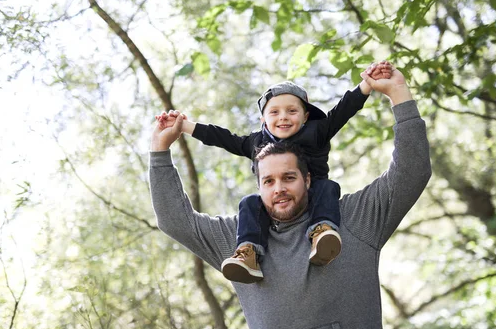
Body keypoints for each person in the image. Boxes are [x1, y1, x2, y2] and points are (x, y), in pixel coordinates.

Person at [149, 64, 431, 329]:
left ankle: (320, 232)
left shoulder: (354, 218)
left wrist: (399, 95)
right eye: (268, 181)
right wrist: (160, 150)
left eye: (289, 177)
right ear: (258, 186)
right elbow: (174, 220)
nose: (279, 187)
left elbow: (411, 172)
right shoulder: (238, 238)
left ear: (308, 179)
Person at [155, 62, 393, 283]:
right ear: (263, 119)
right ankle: (249, 252)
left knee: (327, 187)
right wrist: (185, 126)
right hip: (278, 202)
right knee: (250, 203)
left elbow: (343, 110)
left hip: (314, 194)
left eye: (292, 111)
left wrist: (366, 85)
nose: (283, 117)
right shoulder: (256, 142)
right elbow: (223, 138)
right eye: (275, 112)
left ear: (305, 116)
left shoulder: (318, 131)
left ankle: (322, 232)